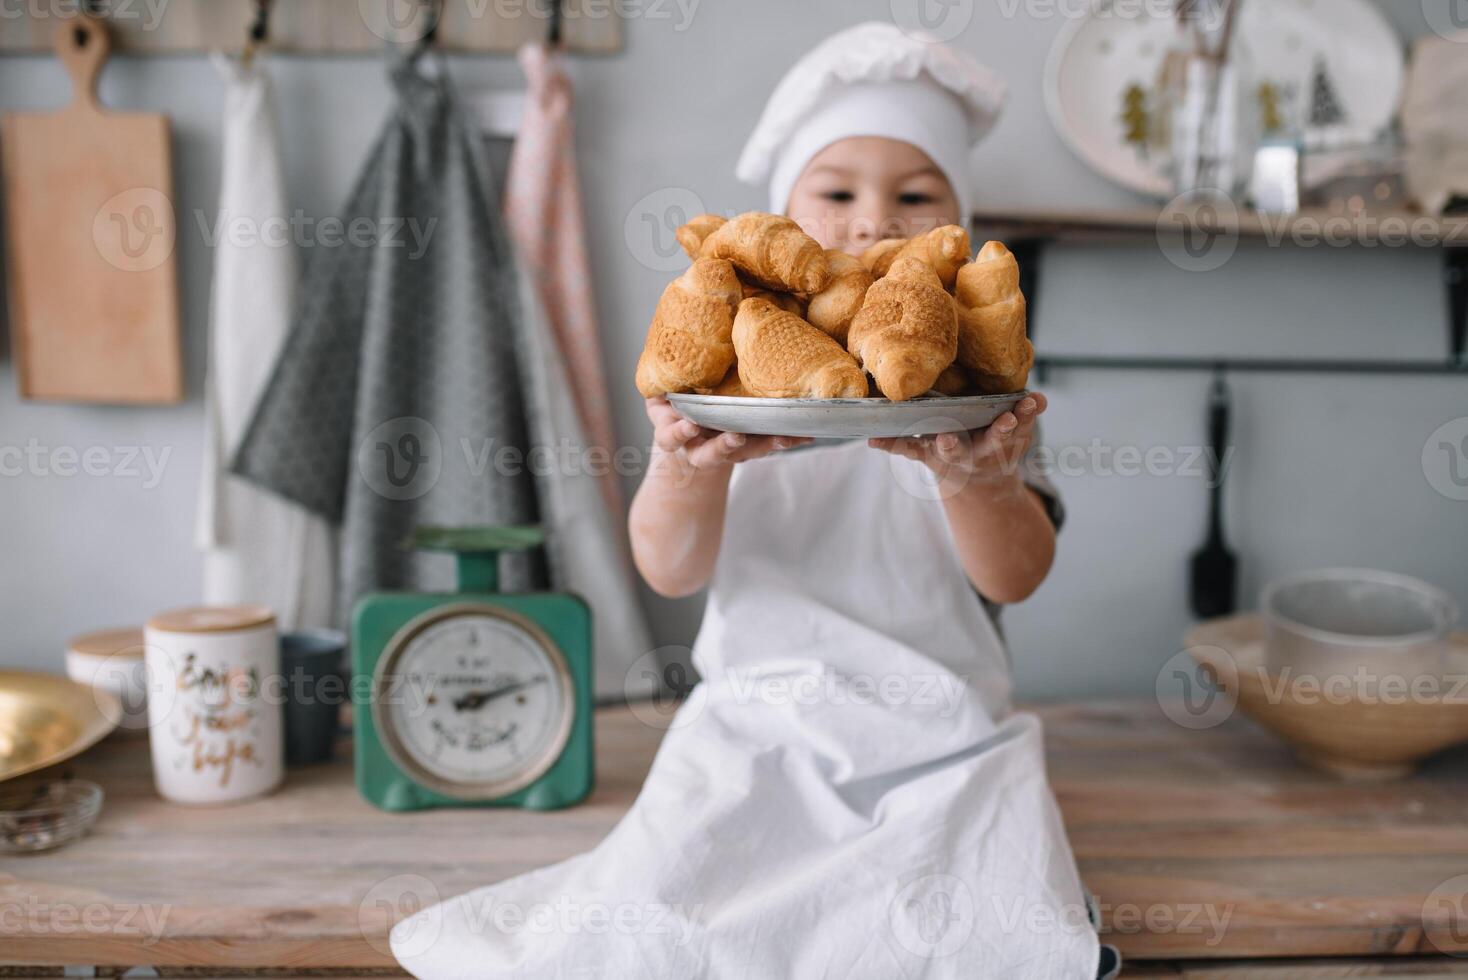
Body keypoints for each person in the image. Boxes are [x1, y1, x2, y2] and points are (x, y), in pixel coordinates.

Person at [392, 21, 1115, 980]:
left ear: (956, 221)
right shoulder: (732, 371)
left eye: (914, 194)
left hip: (946, 739)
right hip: (752, 727)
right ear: (782, 219)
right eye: (836, 191)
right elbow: (671, 565)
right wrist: (690, 467)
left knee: (973, 926)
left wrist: (973, 475)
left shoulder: (980, 392)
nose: (872, 222)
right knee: (668, 923)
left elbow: (1016, 576)